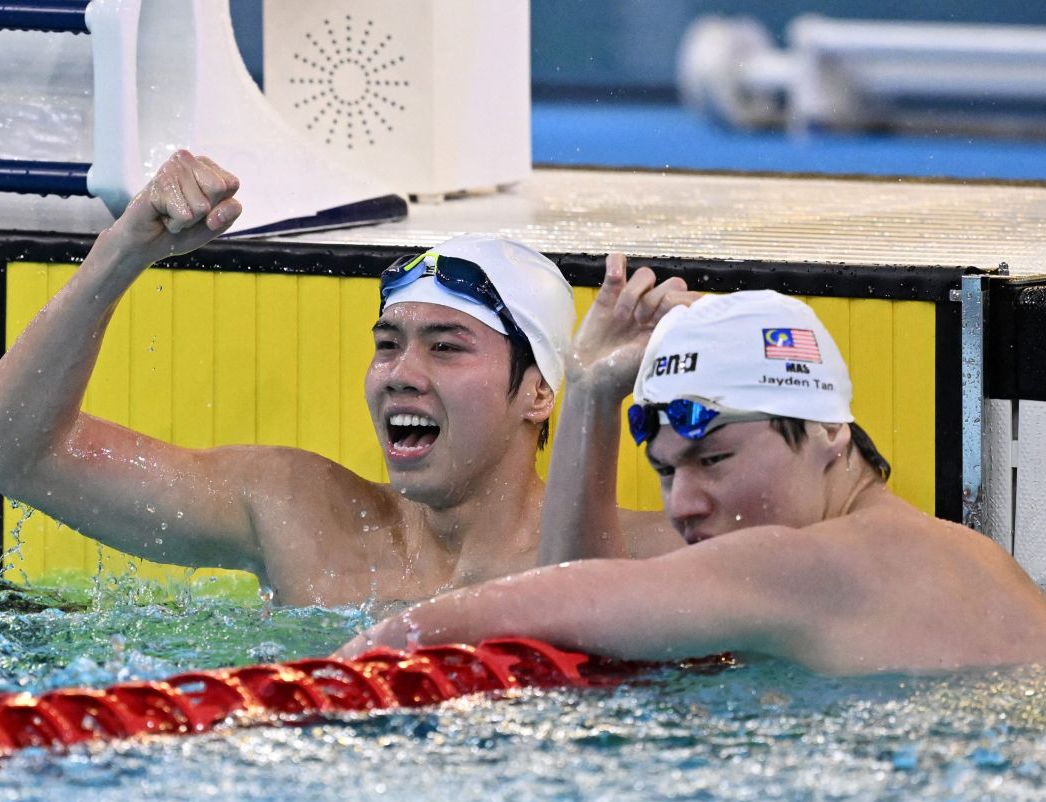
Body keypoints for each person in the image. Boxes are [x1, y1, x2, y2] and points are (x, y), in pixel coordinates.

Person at [0, 152, 680, 607]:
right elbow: (12, 454)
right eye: (388, 343)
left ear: (541, 391)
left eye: (446, 346)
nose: (400, 373)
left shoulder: (646, 558)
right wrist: (121, 255)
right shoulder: (300, 517)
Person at [341, 258, 1046, 672]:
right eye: (669, 471)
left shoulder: (809, 565)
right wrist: (590, 391)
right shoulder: (962, 557)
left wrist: (348, 664)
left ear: (831, 430)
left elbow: (543, 605)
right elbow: (596, 630)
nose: (684, 504)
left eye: (715, 459)